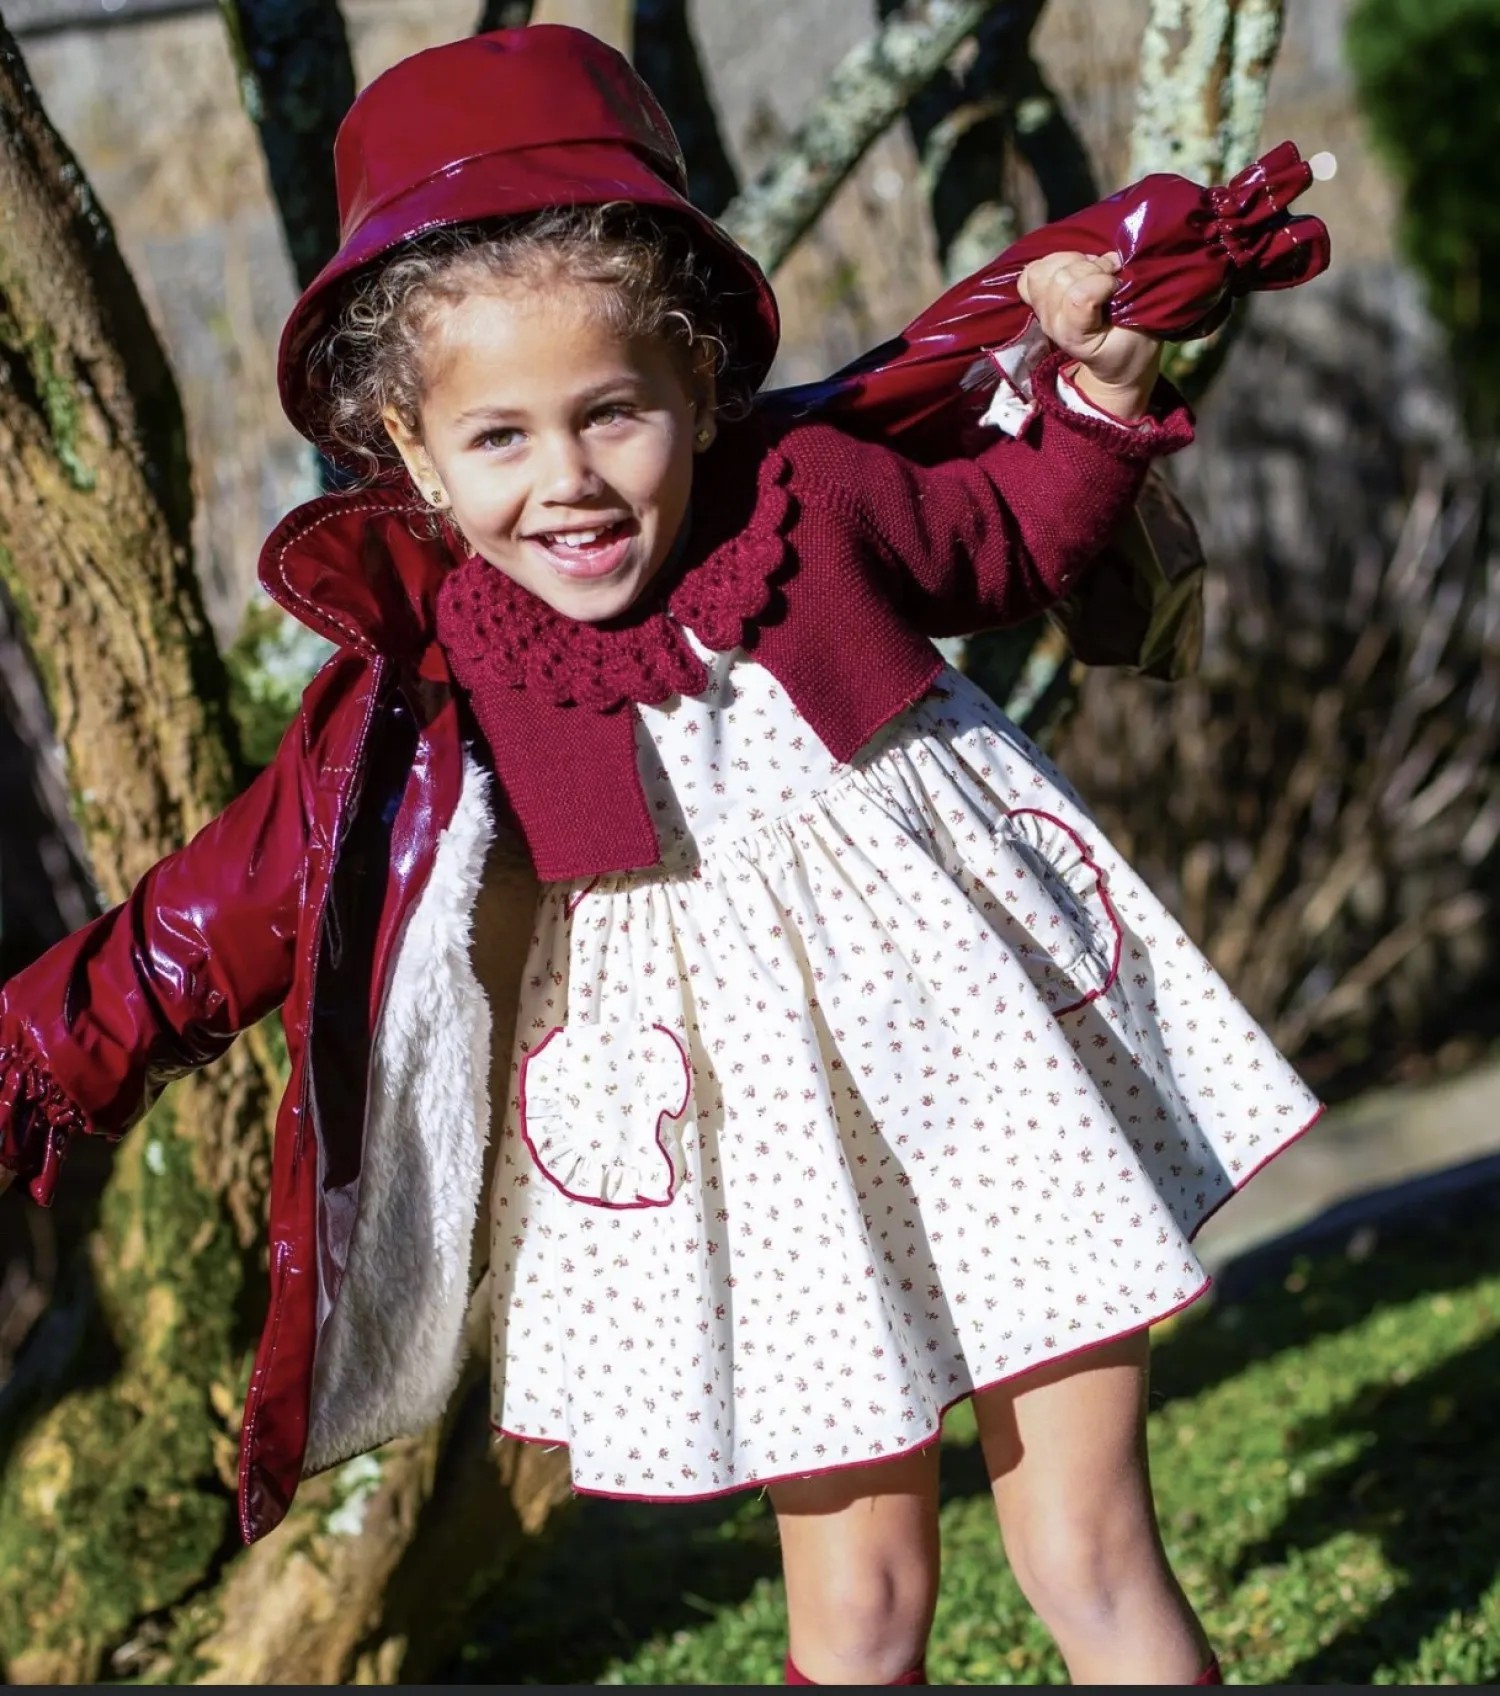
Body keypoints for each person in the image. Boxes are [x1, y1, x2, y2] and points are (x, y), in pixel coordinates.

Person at [0, 24, 1322, 1686]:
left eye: (613, 412)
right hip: (767, 1181)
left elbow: (1008, 536)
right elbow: (239, 900)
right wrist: (42, 1044)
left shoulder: (815, 498)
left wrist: (1103, 395)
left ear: (699, 382)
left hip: (996, 1093)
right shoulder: (454, 672)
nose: (568, 483)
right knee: (861, 1612)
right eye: (498, 441)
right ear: (409, 456)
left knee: (1091, 1549)